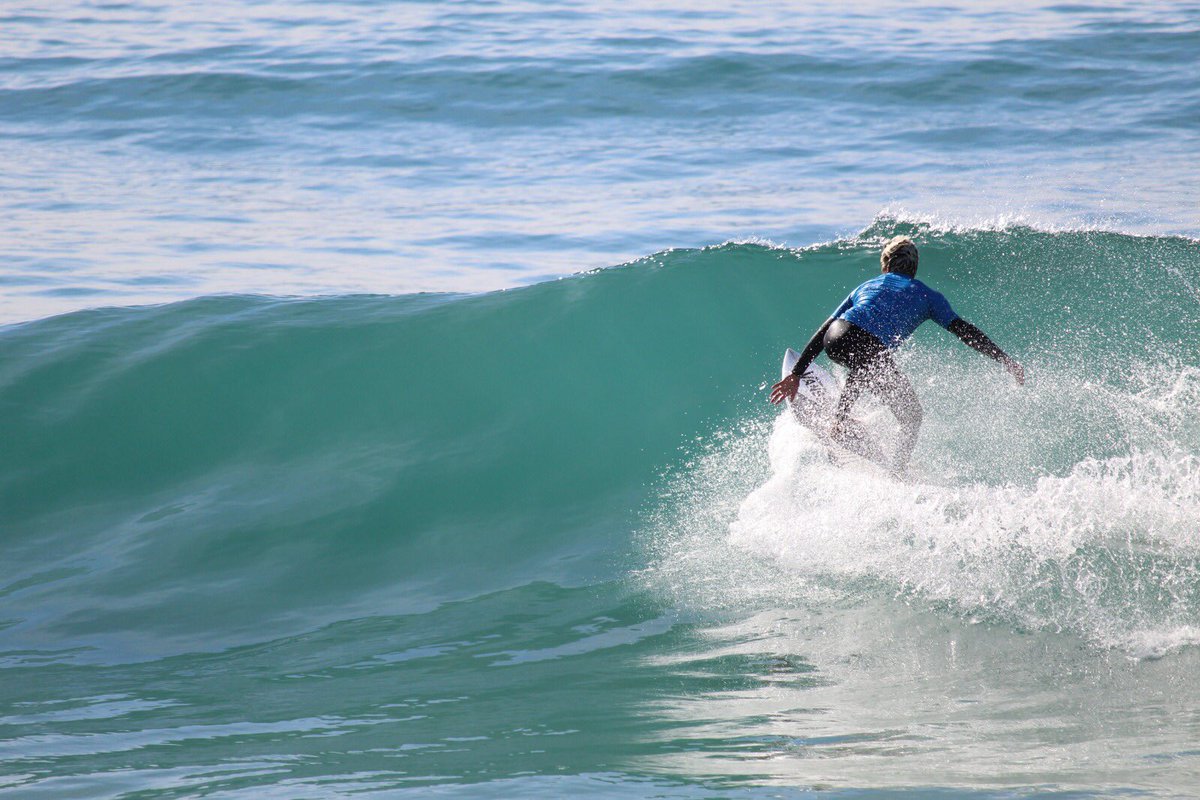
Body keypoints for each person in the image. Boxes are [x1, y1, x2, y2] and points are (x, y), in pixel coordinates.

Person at [769, 236, 1024, 474]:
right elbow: (964, 331)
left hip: (835, 336)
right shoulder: (928, 296)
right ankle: (895, 469)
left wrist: (797, 373)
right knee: (912, 415)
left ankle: (841, 419)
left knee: (864, 361)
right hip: (866, 344)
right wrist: (1003, 358)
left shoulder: (867, 285)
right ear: (914, 268)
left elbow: (826, 327)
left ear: (886, 264)